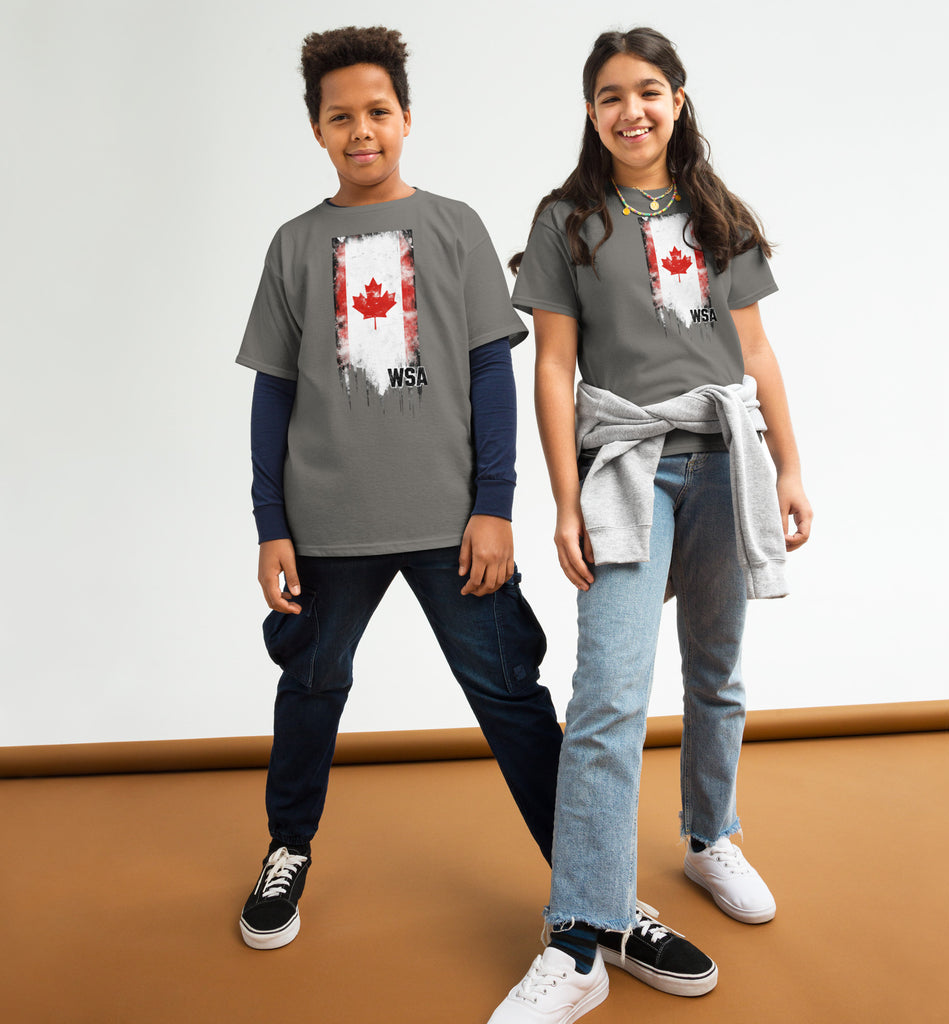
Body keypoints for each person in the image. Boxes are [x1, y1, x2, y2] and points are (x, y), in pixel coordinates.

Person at [234, 28, 711, 995]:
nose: (361, 130)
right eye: (340, 116)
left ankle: (598, 899)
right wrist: (269, 523)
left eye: (377, 112)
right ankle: (289, 847)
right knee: (312, 689)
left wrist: (494, 507)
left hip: (458, 531)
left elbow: (494, 374)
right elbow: (273, 393)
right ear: (317, 130)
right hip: (327, 528)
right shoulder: (293, 246)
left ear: (405, 119)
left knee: (516, 706)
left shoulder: (451, 227)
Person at [488, 26, 812, 1023]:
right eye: (608, 97)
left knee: (715, 667)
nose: (630, 110)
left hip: (726, 460)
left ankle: (710, 836)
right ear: (589, 113)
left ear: (677, 98)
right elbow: (550, 368)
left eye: (647, 91)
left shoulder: (719, 216)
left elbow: (754, 355)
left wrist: (791, 464)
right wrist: (559, 498)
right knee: (608, 697)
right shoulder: (567, 221)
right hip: (627, 465)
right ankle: (580, 938)